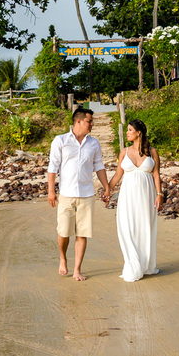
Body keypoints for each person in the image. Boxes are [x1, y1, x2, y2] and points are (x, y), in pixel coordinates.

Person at [47, 106, 110, 281]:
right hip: (66, 194)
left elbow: (99, 166)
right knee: (63, 232)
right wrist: (51, 191)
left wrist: (106, 187)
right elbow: (53, 167)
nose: (92, 124)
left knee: (82, 233)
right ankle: (62, 257)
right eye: (89, 121)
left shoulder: (94, 143)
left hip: (87, 194)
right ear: (79, 121)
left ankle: (77, 269)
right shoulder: (60, 140)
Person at [105, 119, 161, 281]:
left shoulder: (152, 152)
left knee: (145, 228)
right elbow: (118, 175)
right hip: (127, 197)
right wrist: (107, 190)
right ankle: (132, 264)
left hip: (147, 196)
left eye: (130, 130)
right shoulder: (124, 152)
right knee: (127, 228)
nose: (127, 132)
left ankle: (145, 264)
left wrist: (160, 194)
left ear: (139, 132)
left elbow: (156, 174)